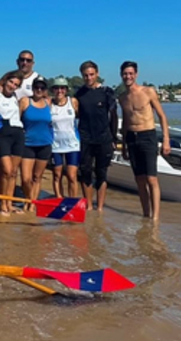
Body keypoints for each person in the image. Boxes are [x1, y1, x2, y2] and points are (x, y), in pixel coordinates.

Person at [118, 61, 170, 221]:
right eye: (125, 74)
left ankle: (155, 217)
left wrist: (166, 140)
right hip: (131, 138)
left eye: (130, 73)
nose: (128, 76)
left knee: (151, 178)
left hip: (148, 135)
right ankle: (146, 214)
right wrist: (124, 146)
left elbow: (161, 116)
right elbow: (125, 122)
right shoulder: (122, 98)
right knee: (139, 179)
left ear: (136, 74)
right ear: (121, 75)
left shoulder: (148, 92)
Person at [74, 60, 118, 212]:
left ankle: (99, 208)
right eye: (86, 75)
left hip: (103, 138)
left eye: (91, 74)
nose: (89, 78)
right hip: (85, 138)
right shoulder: (79, 94)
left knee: (102, 173)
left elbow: (113, 116)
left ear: (97, 74)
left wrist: (114, 138)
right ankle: (88, 206)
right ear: (82, 76)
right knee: (85, 172)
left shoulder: (107, 92)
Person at [0, 70, 24, 215]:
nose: (12, 86)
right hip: (3, 134)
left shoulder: (15, 97)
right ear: (6, 80)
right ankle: (2, 202)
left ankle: (9, 202)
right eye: (11, 82)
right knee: (6, 171)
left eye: (16, 85)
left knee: (14, 172)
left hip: (18, 133)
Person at [19, 76, 53, 211]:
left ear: (45, 90)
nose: (39, 90)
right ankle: (28, 199)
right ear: (32, 88)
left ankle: (32, 204)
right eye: (36, 87)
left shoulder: (48, 103)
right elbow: (16, 120)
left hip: (45, 144)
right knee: (26, 178)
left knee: (37, 177)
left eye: (42, 88)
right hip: (27, 144)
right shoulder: (25, 101)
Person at [50, 77, 80, 198]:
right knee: (57, 175)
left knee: (71, 175)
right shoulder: (49, 103)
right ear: (53, 90)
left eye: (62, 88)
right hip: (55, 145)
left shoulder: (73, 102)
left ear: (66, 90)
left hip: (72, 144)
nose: (59, 91)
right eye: (56, 88)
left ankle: (72, 201)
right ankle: (59, 199)